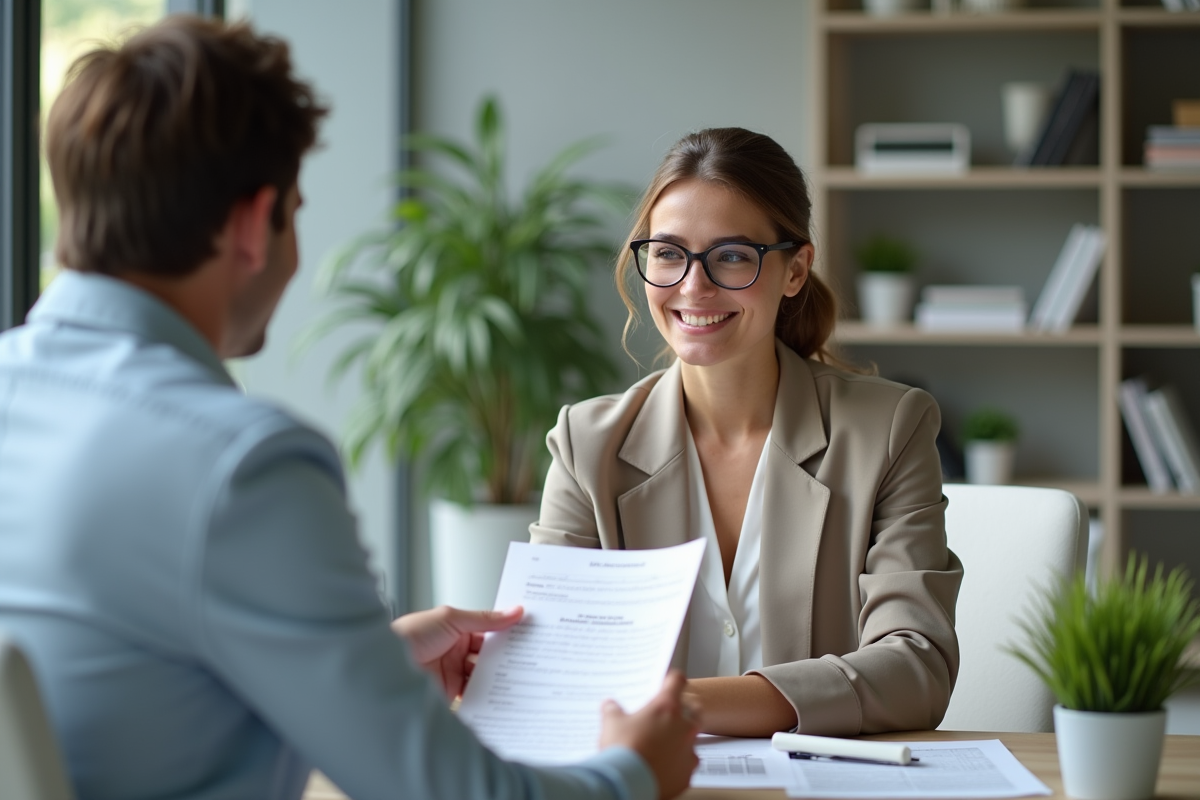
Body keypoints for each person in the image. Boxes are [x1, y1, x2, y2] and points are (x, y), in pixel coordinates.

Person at [0, 16, 699, 800]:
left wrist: (369, 663)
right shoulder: (240, 466)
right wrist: (635, 772)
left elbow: (130, 676)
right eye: (294, 209)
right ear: (250, 226)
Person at [530, 127, 964, 739]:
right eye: (668, 252)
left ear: (795, 270)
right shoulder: (585, 445)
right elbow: (551, 665)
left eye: (732, 255)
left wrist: (685, 705)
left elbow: (916, 666)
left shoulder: (889, 430)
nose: (692, 286)